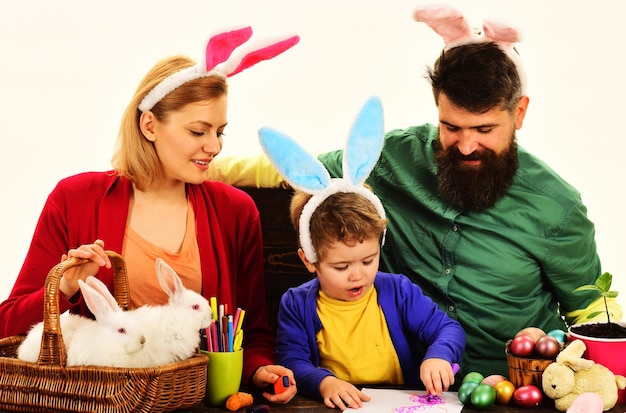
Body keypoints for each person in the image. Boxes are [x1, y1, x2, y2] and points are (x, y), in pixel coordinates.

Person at [207, 7, 622, 378]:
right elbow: (294, 169)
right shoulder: (393, 157)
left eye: (484, 130)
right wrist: (197, 164)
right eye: (451, 127)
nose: (465, 145)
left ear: (520, 113)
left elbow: (593, 313)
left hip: (510, 388)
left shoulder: (558, 208)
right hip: (407, 387)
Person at [0, 26, 300, 404]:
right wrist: (65, 288)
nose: (214, 146)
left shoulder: (235, 212)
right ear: (149, 125)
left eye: (220, 131)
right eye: (198, 131)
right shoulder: (74, 200)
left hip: (197, 401)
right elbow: (7, 327)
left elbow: (252, 330)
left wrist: (259, 368)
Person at [258, 97, 465, 410]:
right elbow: (293, 360)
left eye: (368, 260)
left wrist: (439, 355)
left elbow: (448, 329)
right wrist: (324, 382)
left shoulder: (398, 291)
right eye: (341, 267)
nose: (358, 274)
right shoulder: (297, 304)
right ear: (309, 260)